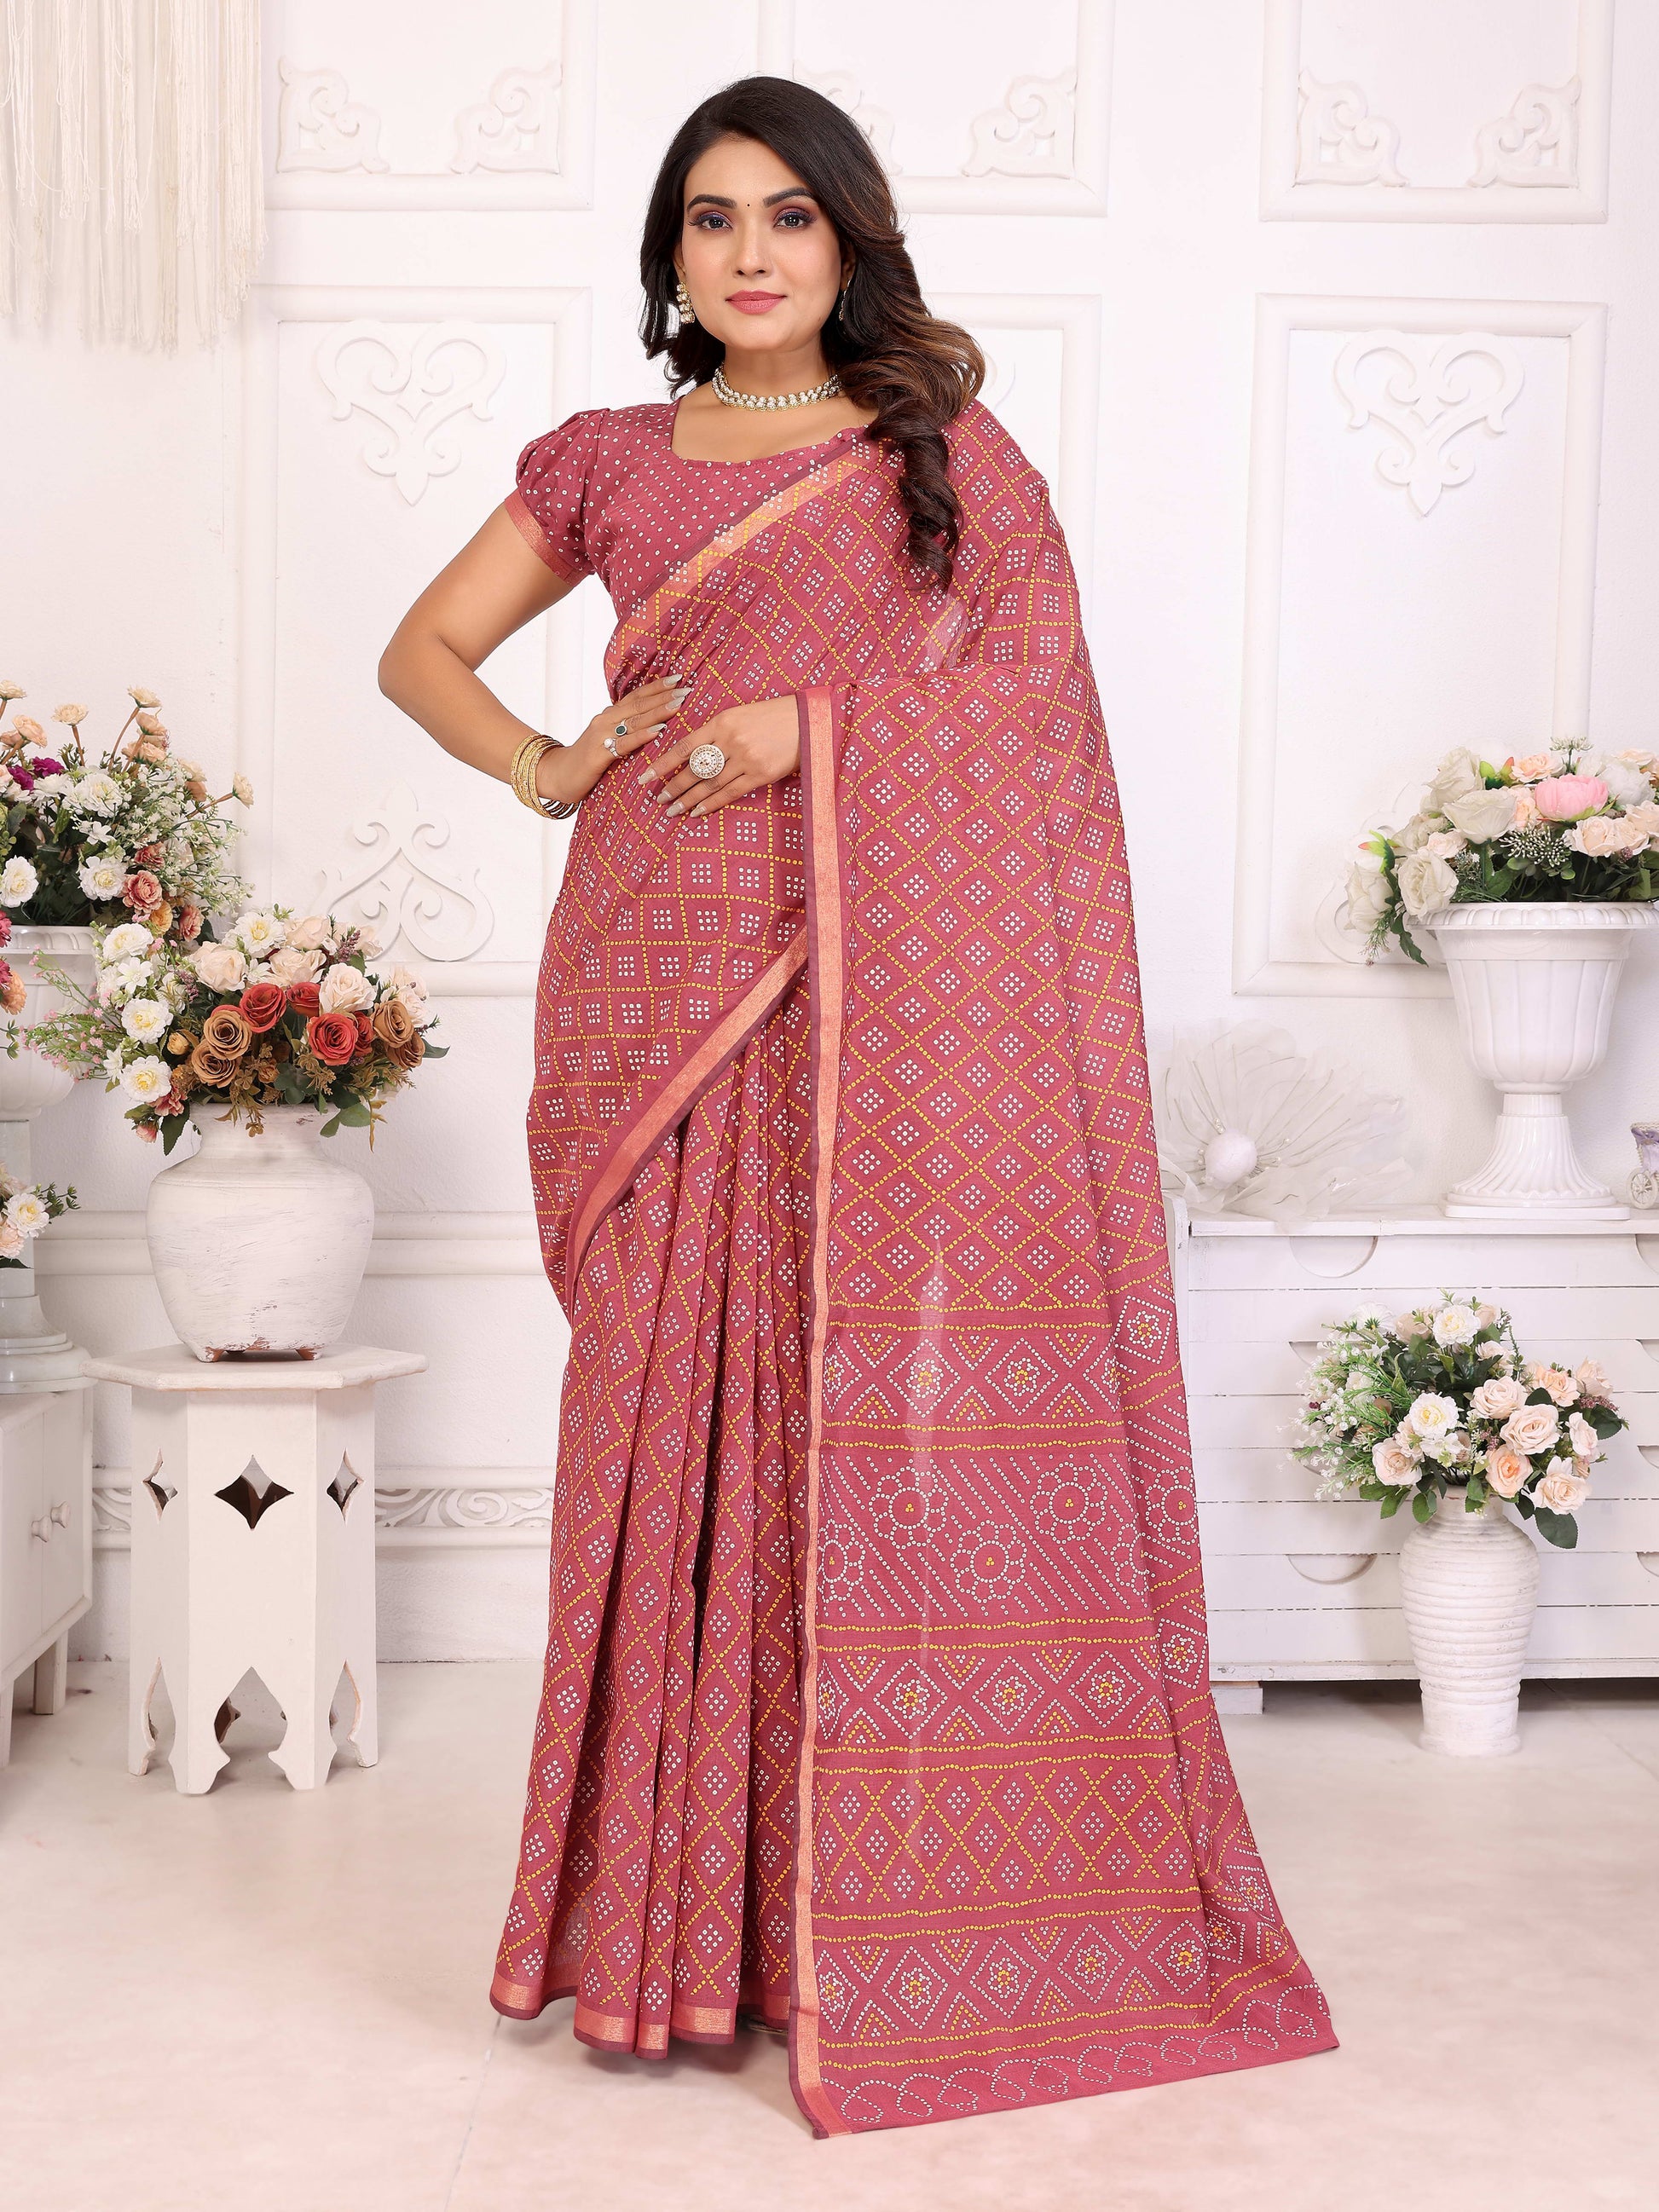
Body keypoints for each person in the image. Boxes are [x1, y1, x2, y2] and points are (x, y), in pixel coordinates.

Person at [379, 73, 1334, 2140]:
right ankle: (666, 1929)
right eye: (711, 219)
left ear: (848, 239)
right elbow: (425, 650)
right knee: (656, 1427)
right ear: (669, 254)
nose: (749, 254)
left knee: (842, 1425)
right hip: (652, 979)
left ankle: (831, 1922)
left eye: (788, 217)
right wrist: (548, 762)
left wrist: (804, 726)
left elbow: (1034, 712)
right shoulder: (607, 458)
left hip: (868, 994)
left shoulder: (945, 455)